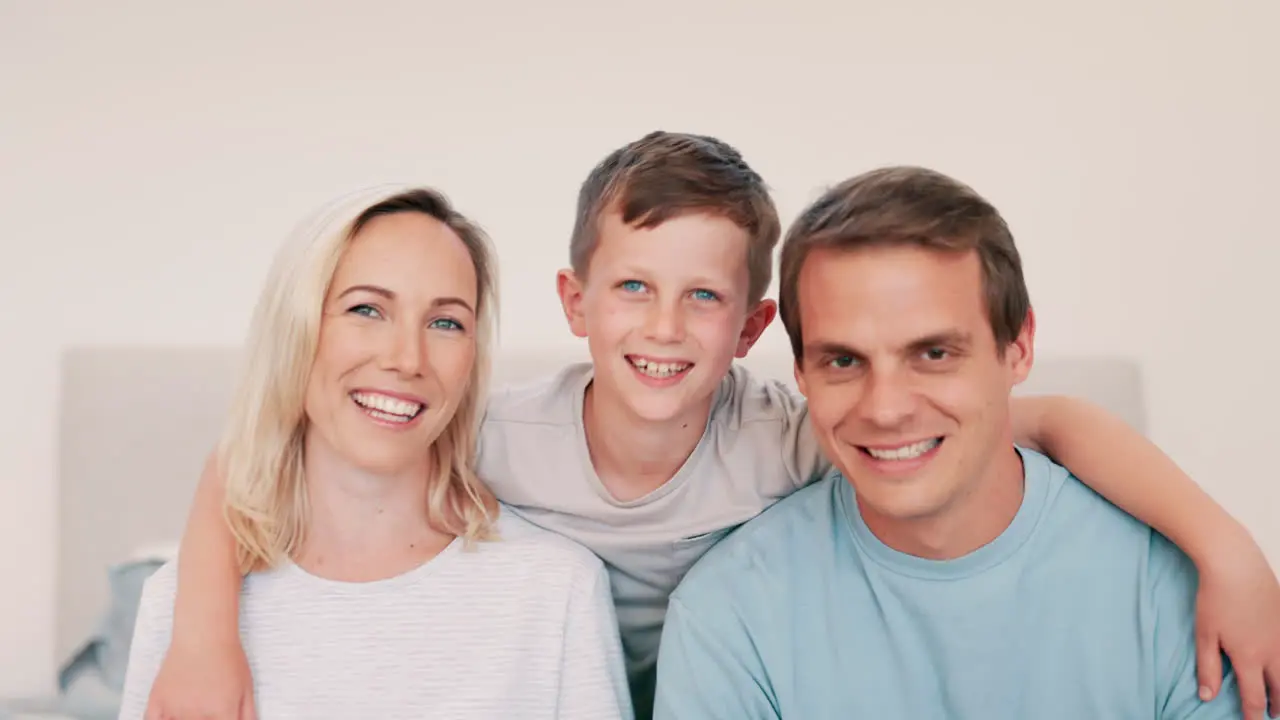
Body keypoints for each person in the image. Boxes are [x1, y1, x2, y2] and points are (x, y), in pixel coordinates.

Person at [145, 133, 1279, 720]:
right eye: (632, 289)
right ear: (572, 304)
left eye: (704, 298)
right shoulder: (488, 437)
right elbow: (271, 449)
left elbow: (1057, 422)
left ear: (751, 330)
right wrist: (201, 624)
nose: (665, 328)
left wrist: (1226, 549)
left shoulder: (802, 435)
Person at [652, 166, 1261, 719]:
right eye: (843, 360)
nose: (885, 409)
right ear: (803, 374)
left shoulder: (1174, 592)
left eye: (934, 354)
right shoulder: (729, 616)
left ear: (1017, 348)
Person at [117, 186, 633, 719]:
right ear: (297, 330)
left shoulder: (555, 591)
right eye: (367, 309)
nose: (407, 358)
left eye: (445, 322)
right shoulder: (183, 610)